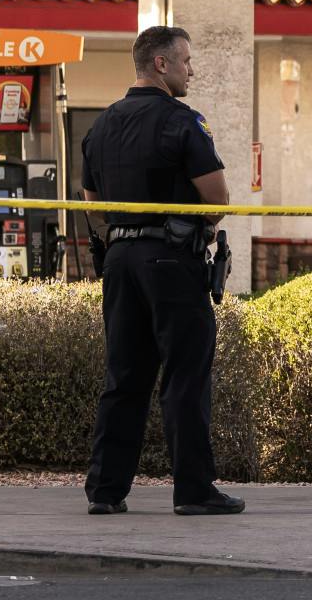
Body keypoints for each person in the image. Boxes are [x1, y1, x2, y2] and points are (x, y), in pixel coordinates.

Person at [80, 26, 244, 517]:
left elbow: (92, 203)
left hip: (120, 261)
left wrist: (123, 237)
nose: (191, 70)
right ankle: (194, 491)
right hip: (171, 261)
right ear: (160, 64)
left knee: (124, 376)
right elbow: (217, 198)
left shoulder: (101, 126)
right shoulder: (183, 121)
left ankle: (105, 491)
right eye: (186, 61)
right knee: (185, 375)